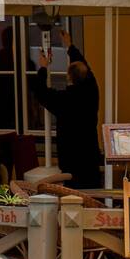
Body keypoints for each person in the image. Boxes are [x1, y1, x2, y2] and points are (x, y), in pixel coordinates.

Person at [33, 28, 102, 190]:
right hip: (90, 154)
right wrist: (70, 46)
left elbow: (40, 91)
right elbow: (87, 69)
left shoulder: (63, 99)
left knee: (72, 198)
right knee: (92, 193)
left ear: (69, 78)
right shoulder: (92, 91)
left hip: (70, 158)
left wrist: (43, 67)